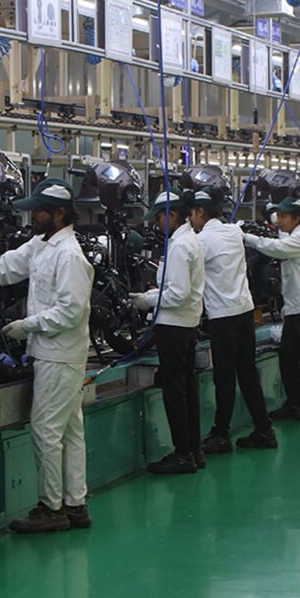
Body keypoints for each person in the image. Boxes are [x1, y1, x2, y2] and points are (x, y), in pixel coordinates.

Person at [0, 179, 94, 532]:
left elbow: (71, 312)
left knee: (45, 429)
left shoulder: (69, 255)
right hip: (52, 352)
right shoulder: (41, 245)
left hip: (60, 354)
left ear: (59, 213)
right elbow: (5, 267)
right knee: (69, 431)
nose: (32, 216)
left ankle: (51, 508)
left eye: (38, 210)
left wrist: (28, 326)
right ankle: (75, 504)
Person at [188, 188, 277, 452]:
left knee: (224, 377)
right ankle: (264, 429)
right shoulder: (233, 233)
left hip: (223, 317)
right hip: (244, 312)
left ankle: (221, 434)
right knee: (248, 373)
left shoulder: (202, 241)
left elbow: (187, 274)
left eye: (191, 214)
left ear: (201, 212)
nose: (190, 220)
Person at [130, 190, 206, 474]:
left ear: (171, 215)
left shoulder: (179, 246)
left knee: (175, 391)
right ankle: (194, 449)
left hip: (174, 326)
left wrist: (145, 299)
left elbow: (177, 293)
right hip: (187, 324)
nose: (155, 224)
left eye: (158, 218)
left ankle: (183, 454)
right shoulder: (189, 241)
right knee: (187, 388)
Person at [243, 198, 300, 421]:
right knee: (288, 356)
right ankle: (294, 403)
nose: (279, 221)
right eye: (278, 216)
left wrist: (247, 237)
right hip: (295, 309)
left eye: (283, 217)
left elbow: (276, 248)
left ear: (296, 219)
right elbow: (278, 236)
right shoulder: (292, 233)